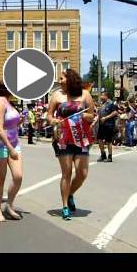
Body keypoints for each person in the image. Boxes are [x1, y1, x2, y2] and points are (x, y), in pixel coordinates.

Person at [47, 68, 95, 221]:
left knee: (82, 173)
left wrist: (85, 115)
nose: (59, 81)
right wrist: (53, 120)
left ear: (70, 79)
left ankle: (70, 194)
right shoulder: (56, 95)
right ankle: (65, 206)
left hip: (81, 137)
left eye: (61, 78)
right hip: (63, 138)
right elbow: (49, 115)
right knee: (66, 173)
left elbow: (92, 114)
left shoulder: (85, 94)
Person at [0, 83, 23, 222]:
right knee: (0, 178)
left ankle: (9, 205)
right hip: (0, 144)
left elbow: (11, 124)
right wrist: (9, 148)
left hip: (14, 143)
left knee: (18, 176)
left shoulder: (9, 103)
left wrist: (20, 120)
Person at [95, 91, 118, 162]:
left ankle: (110, 156)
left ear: (106, 96)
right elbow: (98, 115)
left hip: (109, 125)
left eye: (102, 96)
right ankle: (103, 154)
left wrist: (106, 118)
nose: (101, 97)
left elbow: (115, 112)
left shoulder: (111, 103)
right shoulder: (102, 104)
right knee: (99, 139)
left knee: (108, 141)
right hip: (101, 125)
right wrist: (94, 122)